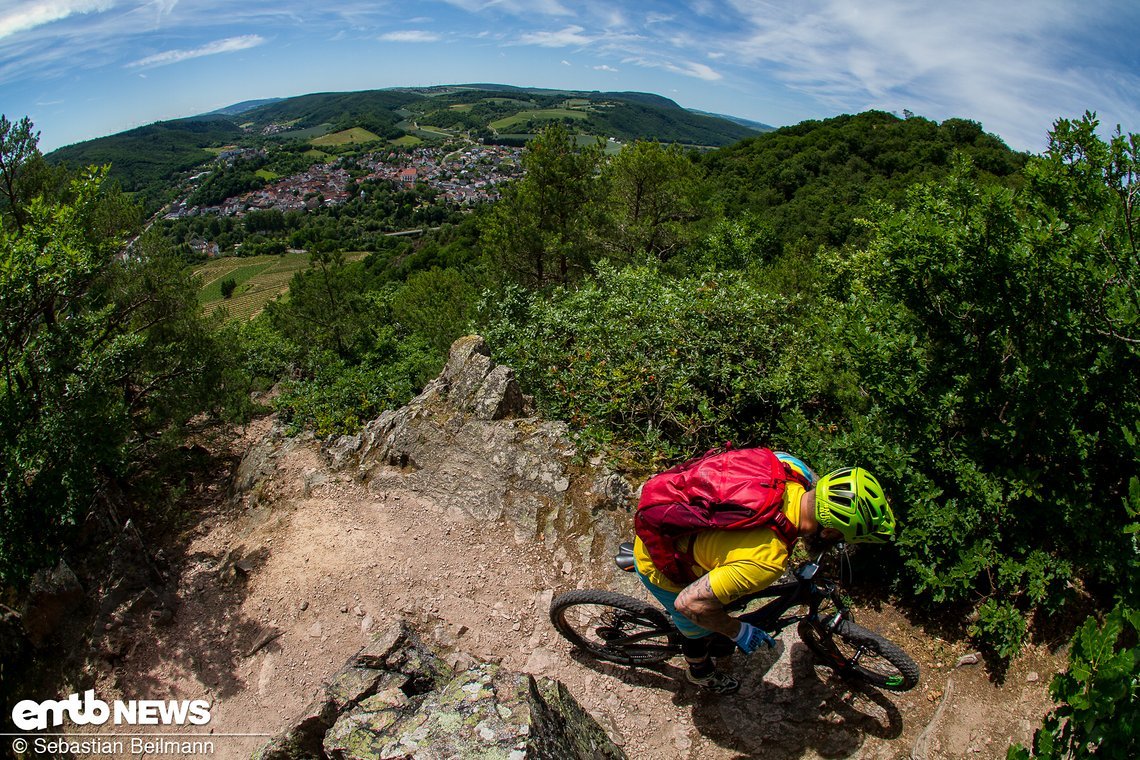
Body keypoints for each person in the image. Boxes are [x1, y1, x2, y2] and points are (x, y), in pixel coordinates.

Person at [633, 455, 896, 694]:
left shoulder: (791, 468)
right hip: (657, 560)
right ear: (828, 533)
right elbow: (689, 603)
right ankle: (699, 672)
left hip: (674, 506)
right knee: (698, 630)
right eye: (840, 540)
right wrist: (737, 631)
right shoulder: (767, 562)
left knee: (722, 595)